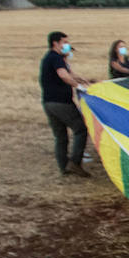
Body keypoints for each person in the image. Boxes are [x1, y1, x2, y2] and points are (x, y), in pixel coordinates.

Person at [39, 31, 94, 177]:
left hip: (48, 103)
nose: (67, 45)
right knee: (80, 129)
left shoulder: (50, 58)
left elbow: (70, 73)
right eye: (64, 42)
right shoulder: (56, 58)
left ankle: (63, 167)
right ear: (55, 43)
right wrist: (79, 86)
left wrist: (84, 81)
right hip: (61, 103)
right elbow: (64, 75)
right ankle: (75, 163)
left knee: (60, 136)